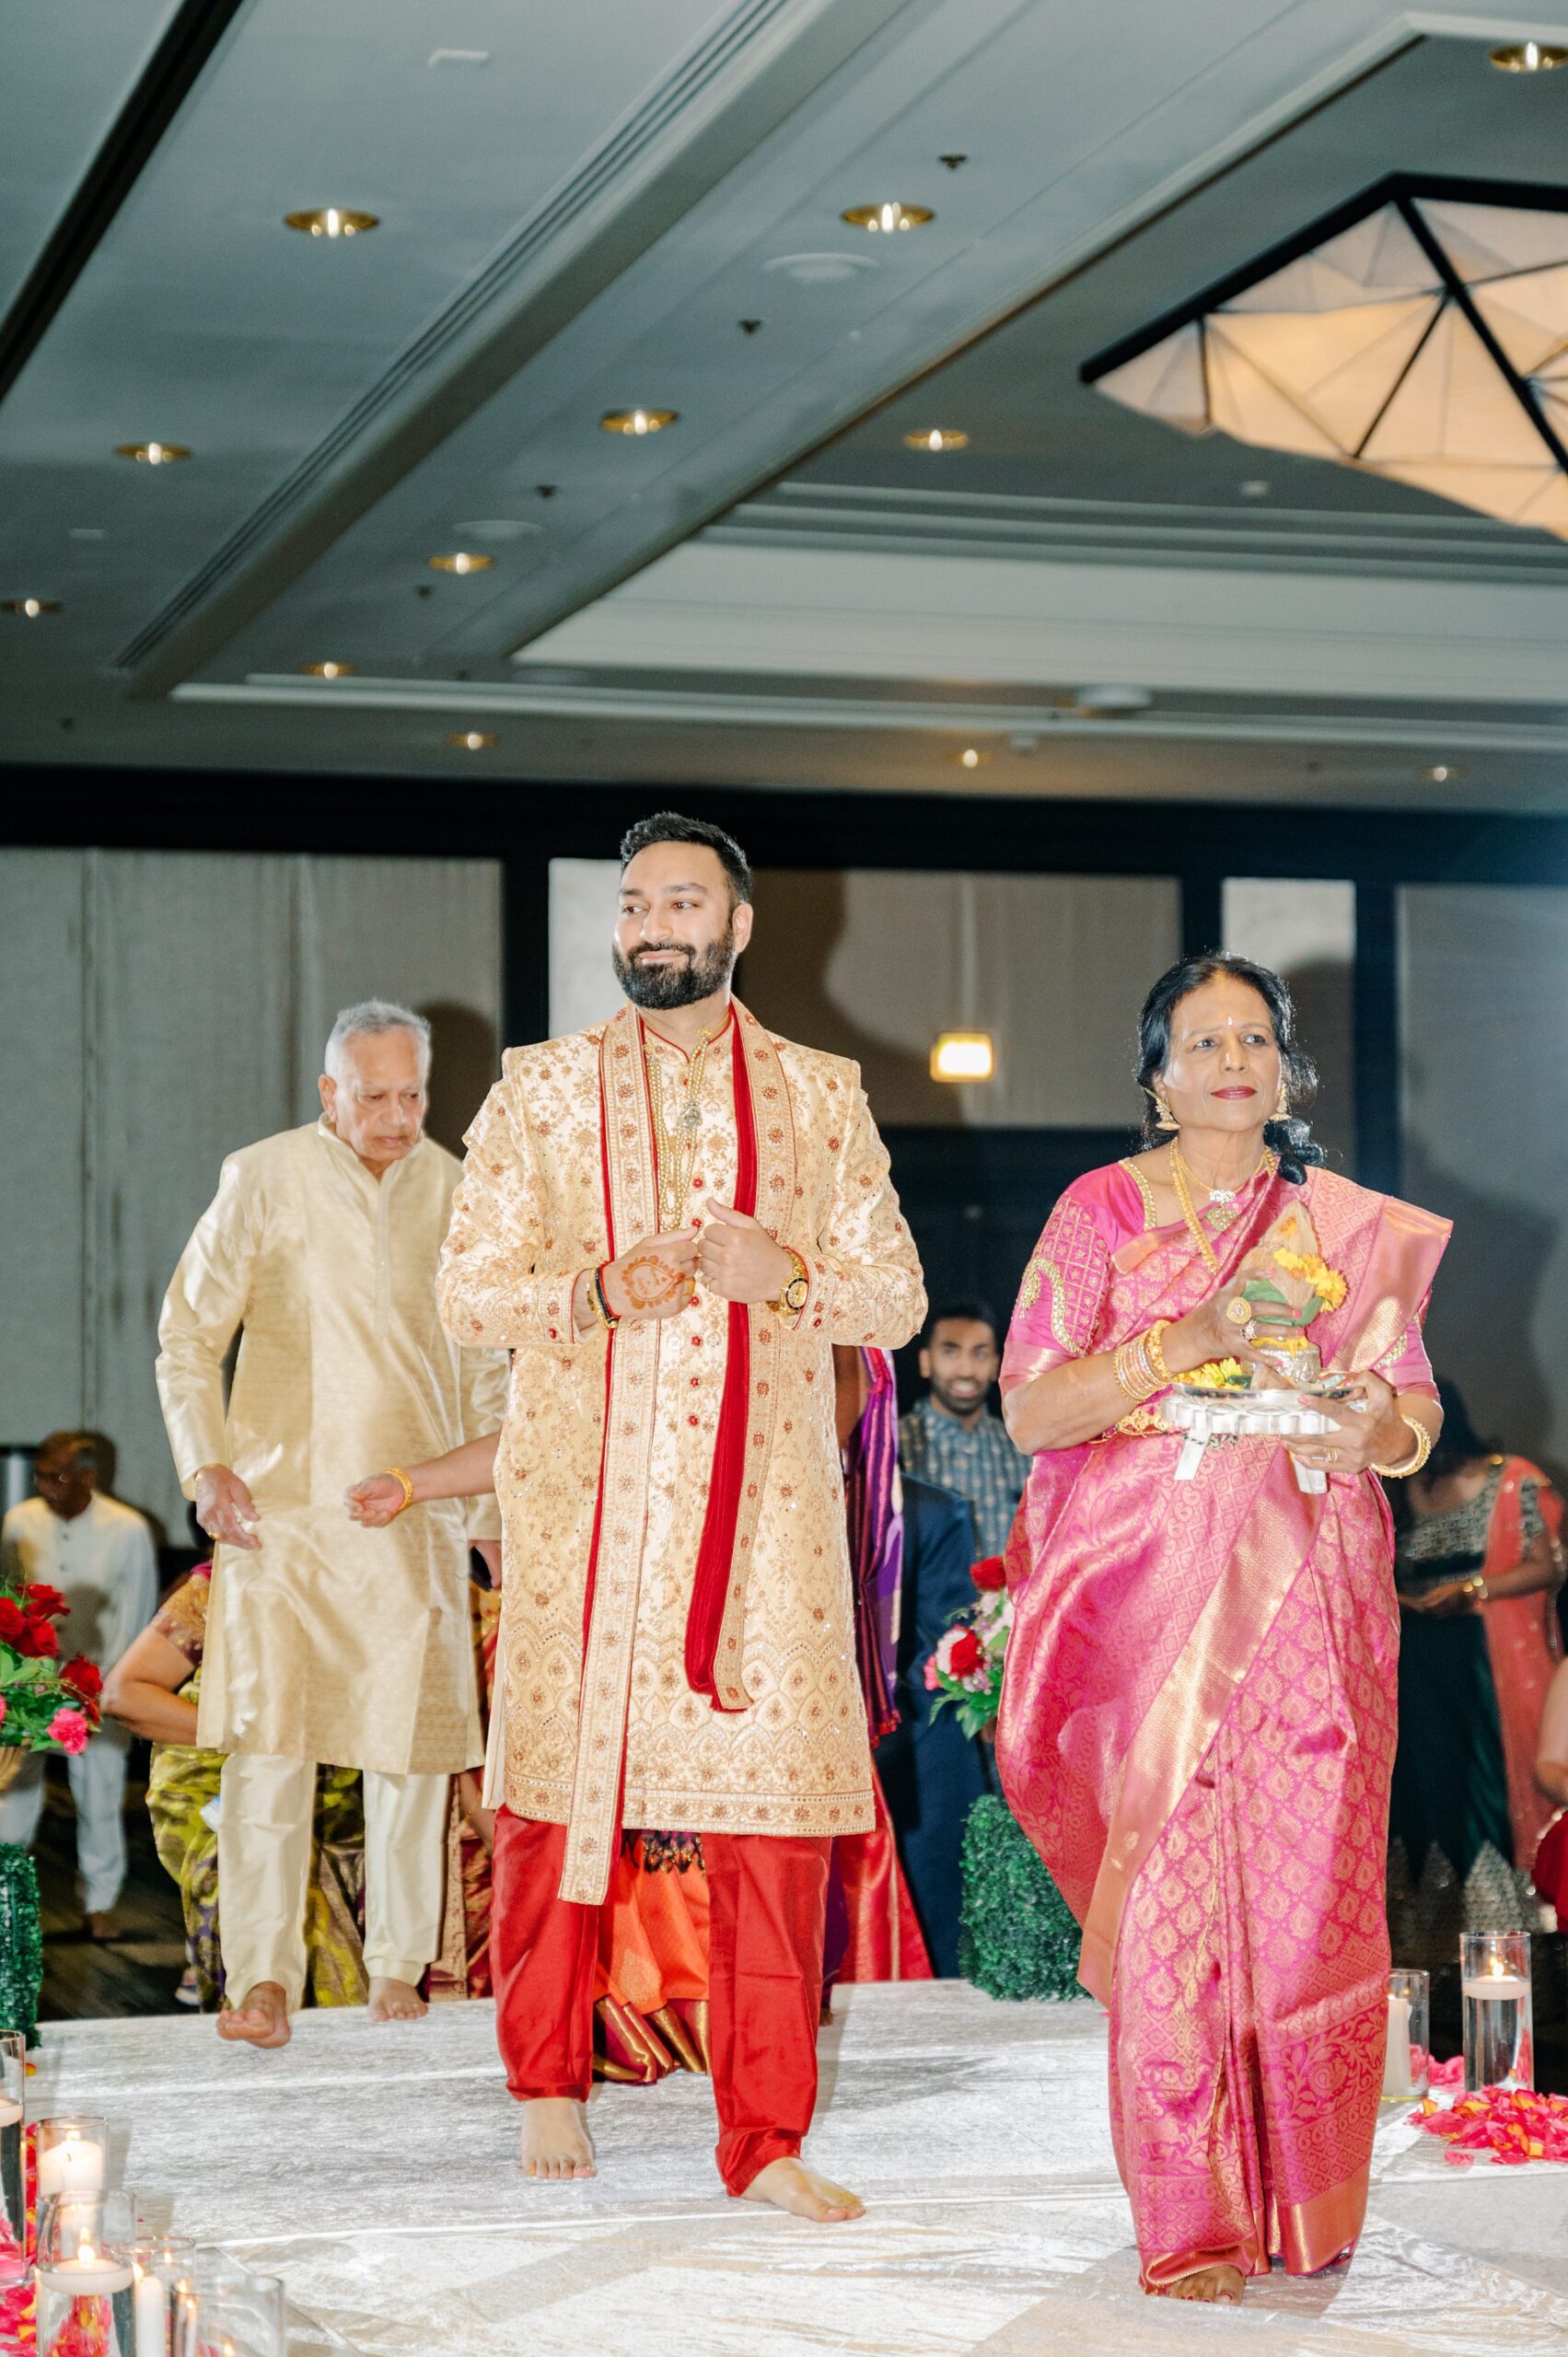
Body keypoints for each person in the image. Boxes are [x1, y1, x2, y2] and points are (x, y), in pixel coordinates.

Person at [436, 810, 925, 2221]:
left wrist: (782, 1272)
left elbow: (890, 1298)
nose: (654, 925)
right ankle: (543, 2079)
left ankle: (764, 2137)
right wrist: (593, 1292)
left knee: (772, 1841)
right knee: (547, 1808)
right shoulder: (538, 1089)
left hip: (761, 1528)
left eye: (682, 903)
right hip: (582, 1506)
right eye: (635, 903)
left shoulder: (819, 1095)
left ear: (739, 927)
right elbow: (466, 1292)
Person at [996, 952, 1448, 2305]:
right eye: (1201, 1041)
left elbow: (1413, 1414)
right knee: (1173, 1912)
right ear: (1155, 1075)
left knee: (1312, 1900)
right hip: (1155, 1611)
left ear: (1283, 1069)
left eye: (1254, 1038)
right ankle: (1189, 2219)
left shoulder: (1338, 1223)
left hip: (1316, 1600)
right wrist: (1183, 1335)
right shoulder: (1097, 1212)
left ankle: (1305, 2205)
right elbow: (1030, 1410)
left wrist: (1373, 1424)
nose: (1231, 1060)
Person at [155, 1000, 507, 2049]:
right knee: (271, 1749)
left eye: (413, 1095)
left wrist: (484, 1514)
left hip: (414, 1513)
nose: (397, 1116)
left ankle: (400, 1963)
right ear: (329, 1092)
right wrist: (205, 1463)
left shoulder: (461, 1192)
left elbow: (490, 1370)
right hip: (283, 1519)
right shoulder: (261, 1176)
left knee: (411, 1754)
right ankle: (260, 1977)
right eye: (375, 1095)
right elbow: (185, 1336)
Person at [102, 1564, 367, 2009]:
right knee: (285, 1929)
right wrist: (261, 1738)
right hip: (226, 1798)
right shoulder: (222, 1583)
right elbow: (123, 1695)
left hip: (353, 1806)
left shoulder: (386, 1576)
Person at [1388, 1378, 1563, 1966]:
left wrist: (1474, 1590)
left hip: (1486, 1668)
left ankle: (1512, 1958)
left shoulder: (1512, 1478)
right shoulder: (1397, 1487)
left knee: (1485, 1787)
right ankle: (1425, 1965)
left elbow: (1549, 1568)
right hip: (1417, 1669)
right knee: (1424, 1793)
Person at [0, 1432, 157, 1934]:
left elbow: (138, 1611)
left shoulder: (128, 1528)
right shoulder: (19, 1521)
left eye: (58, 1476)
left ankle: (99, 1903)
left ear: (89, 1476)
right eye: (41, 1475)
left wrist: (116, 1686)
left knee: (100, 1793)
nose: (46, 1486)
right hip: (29, 1681)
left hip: (97, 1681)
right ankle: (7, 1897)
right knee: (14, 1793)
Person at [899, 1302, 1027, 1557]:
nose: (966, 1370)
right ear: (926, 1361)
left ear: (996, 1365)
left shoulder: (1022, 1445)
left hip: (1013, 1597)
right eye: (950, 1352)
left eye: (979, 1354)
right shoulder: (896, 1445)